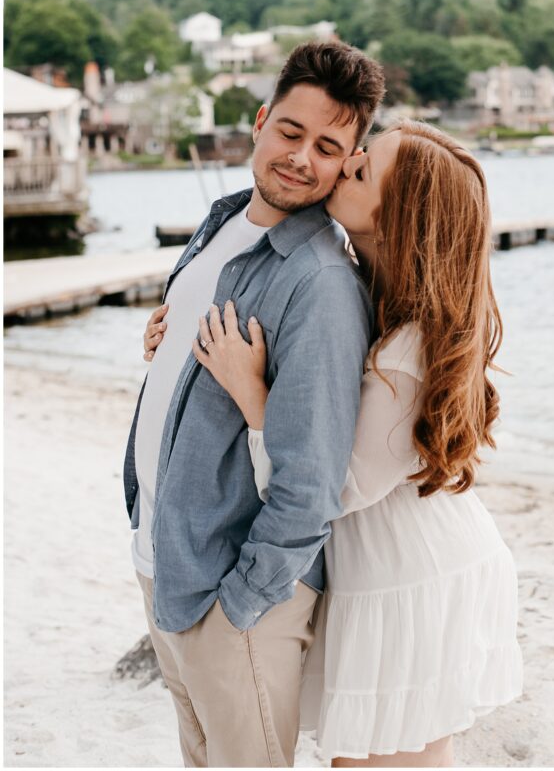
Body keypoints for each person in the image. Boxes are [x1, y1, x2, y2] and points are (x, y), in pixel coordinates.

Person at [179, 120, 524, 767]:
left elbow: (335, 486)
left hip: (412, 576)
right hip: (393, 564)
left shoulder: (410, 348)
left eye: (363, 169)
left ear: (395, 223)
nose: (347, 162)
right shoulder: (367, 293)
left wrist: (250, 392)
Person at [123, 41, 386, 768]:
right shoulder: (223, 223)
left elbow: (311, 480)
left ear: (348, 159)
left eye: (328, 147)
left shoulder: (321, 283)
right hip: (166, 557)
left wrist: (242, 605)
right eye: (291, 132)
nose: (302, 158)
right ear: (262, 121)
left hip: (234, 596)